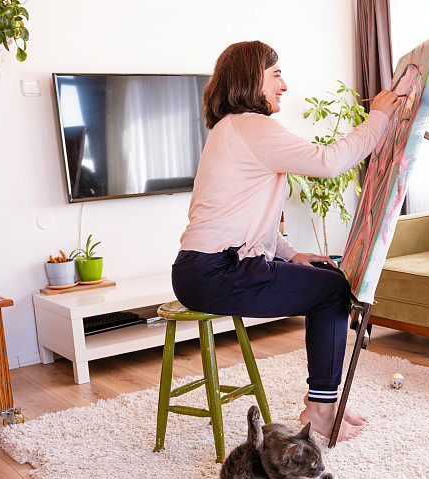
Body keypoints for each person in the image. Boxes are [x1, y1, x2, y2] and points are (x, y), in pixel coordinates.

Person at [171, 40, 401, 443]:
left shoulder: (232, 129)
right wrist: (378, 118)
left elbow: (245, 219)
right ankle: (321, 410)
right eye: (276, 74)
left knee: (325, 273)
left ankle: (323, 405)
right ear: (250, 77)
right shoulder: (250, 126)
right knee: (333, 289)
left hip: (205, 268)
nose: (284, 85)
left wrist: (293, 254)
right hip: (217, 270)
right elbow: (329, 163)